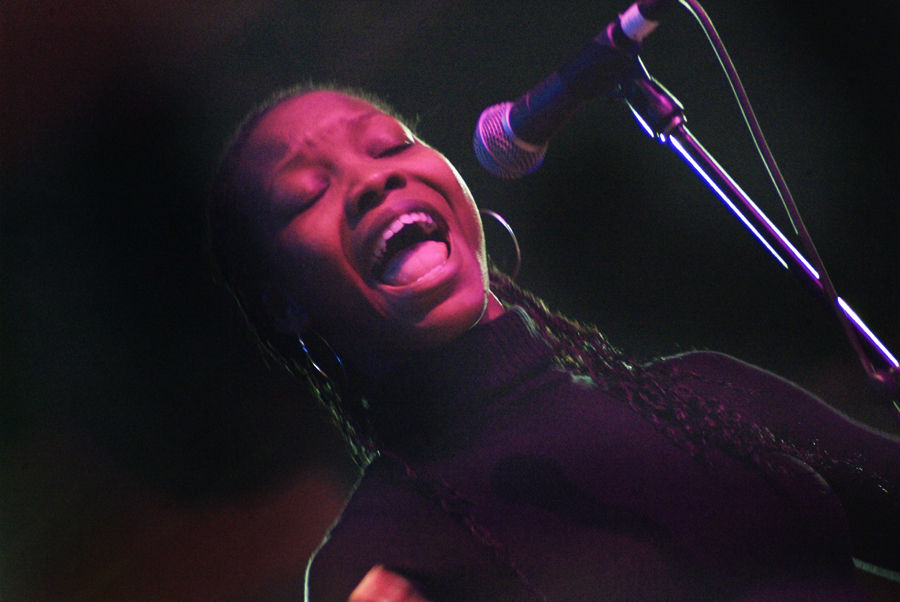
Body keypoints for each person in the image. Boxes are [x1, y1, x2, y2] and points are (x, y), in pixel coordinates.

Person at [208, 84, 900, 601]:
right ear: (285, 307)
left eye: (390, 146)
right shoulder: (380, 556)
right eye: (309, 193)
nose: (373, 179)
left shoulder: (702, 394)